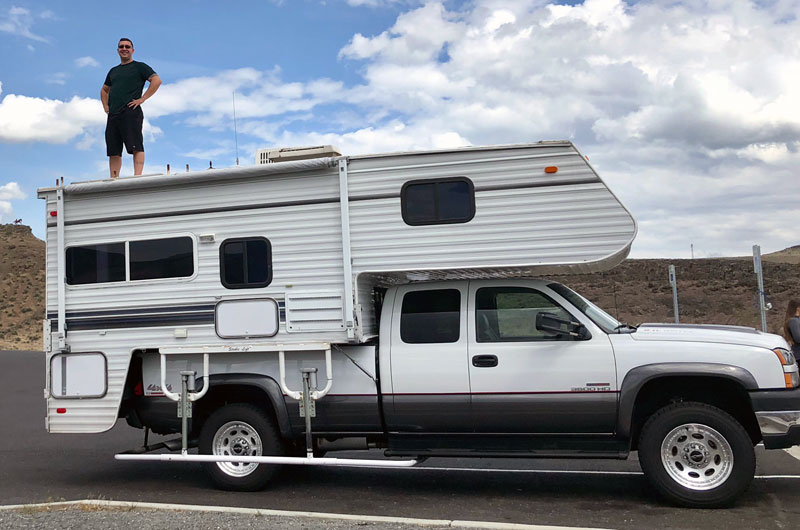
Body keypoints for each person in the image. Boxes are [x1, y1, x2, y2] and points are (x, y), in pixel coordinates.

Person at [101, 38, 161, 178]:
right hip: (113, 114)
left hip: (130, 110)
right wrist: (105, 106)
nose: (124, 48)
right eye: (121, 46)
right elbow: (104, 90)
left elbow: (156, 80)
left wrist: (142, 99)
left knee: (136, 145)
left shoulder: (140, 67)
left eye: (127, 46)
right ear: (118, 50)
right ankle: (113, 178)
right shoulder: (113, 71)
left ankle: (137, 177)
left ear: (132, 50)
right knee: (113, 150)